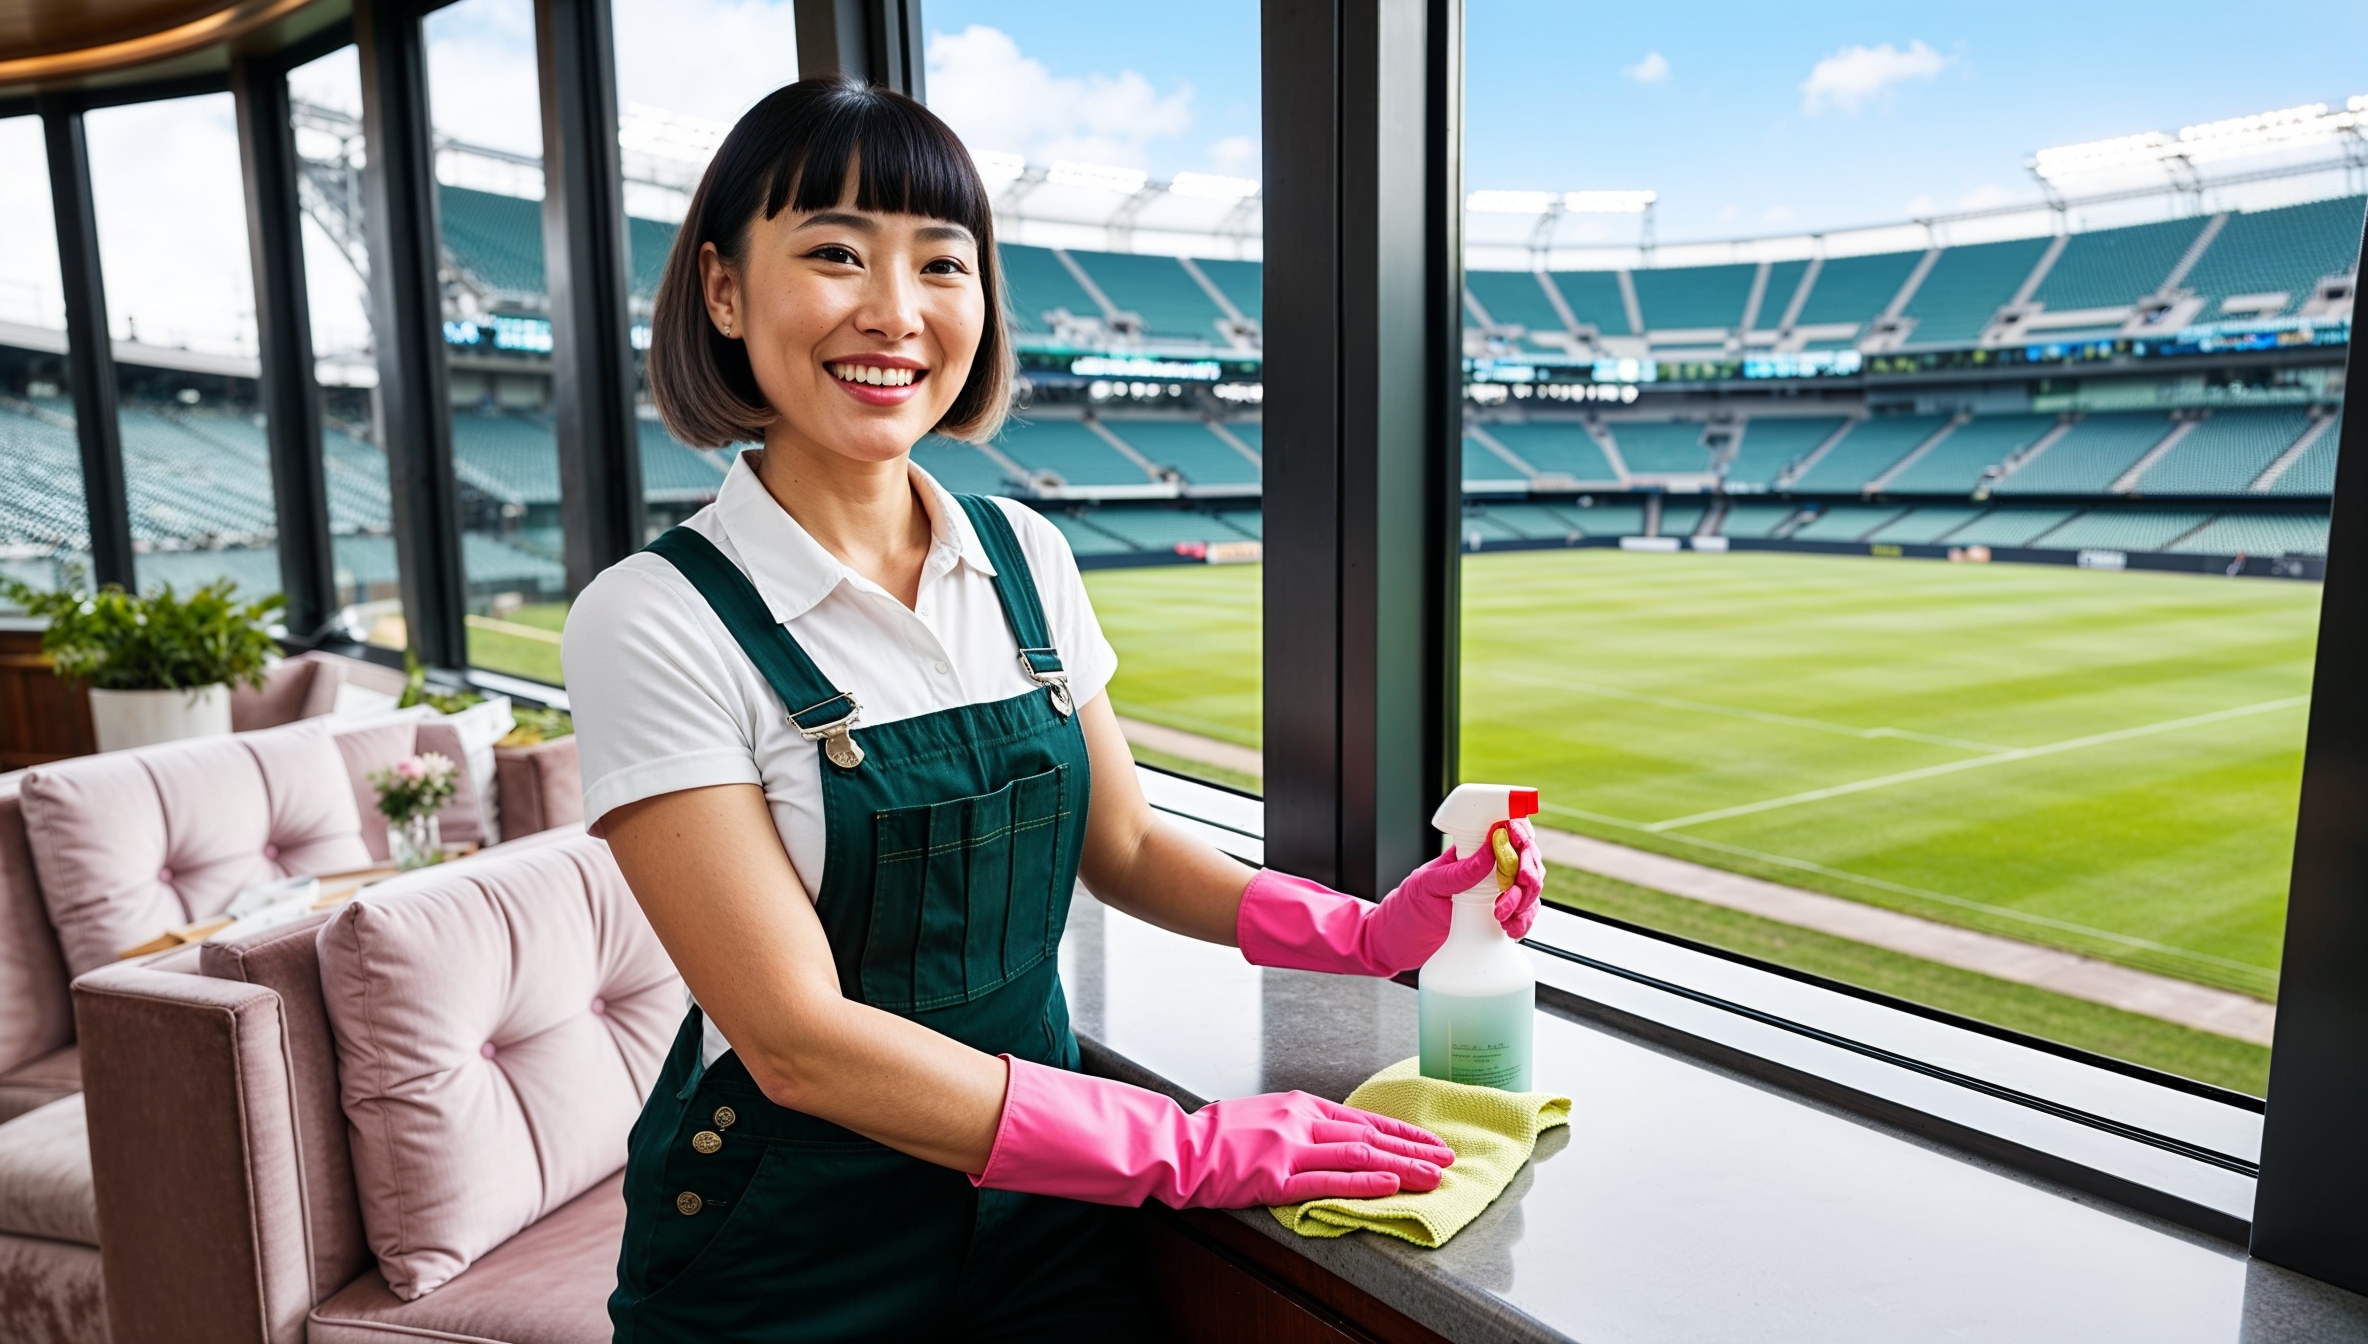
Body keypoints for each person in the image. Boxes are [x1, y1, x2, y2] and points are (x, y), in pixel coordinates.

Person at [564, 77, 1544, 1342]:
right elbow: (796, 1042)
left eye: (942, 263)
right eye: (832, 254)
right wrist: (1183, 1146)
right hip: (786, 1250)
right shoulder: (653, 618)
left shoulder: (1023, 555)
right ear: (722, 291)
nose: (895, 312)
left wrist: (1367, 934)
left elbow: (1123, 847)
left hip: (1042, 1211)